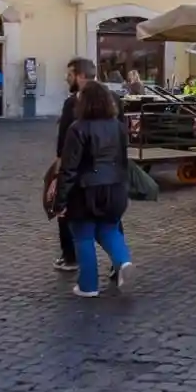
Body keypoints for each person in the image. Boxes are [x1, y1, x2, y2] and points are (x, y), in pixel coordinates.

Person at [53, 81, 134, 298]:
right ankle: (123, 261)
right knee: (109, 229)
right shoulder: (118, 126)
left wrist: (59, 203)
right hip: (115, 187)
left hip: (86, 190)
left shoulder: (78, 128)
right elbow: (124, 159)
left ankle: (88, 286)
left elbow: (69, 169)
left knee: (83, 236)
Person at [52, 58, 96, 273]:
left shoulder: (71, 103)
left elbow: (64, 141)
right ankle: (119, 261)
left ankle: (70, 257)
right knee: (109, 217)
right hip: (103, 169)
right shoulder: (114, 99)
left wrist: (59, 167)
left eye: (69, 74)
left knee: (66, 211)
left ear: (79, 76)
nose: (66, 78)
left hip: (76, 168)